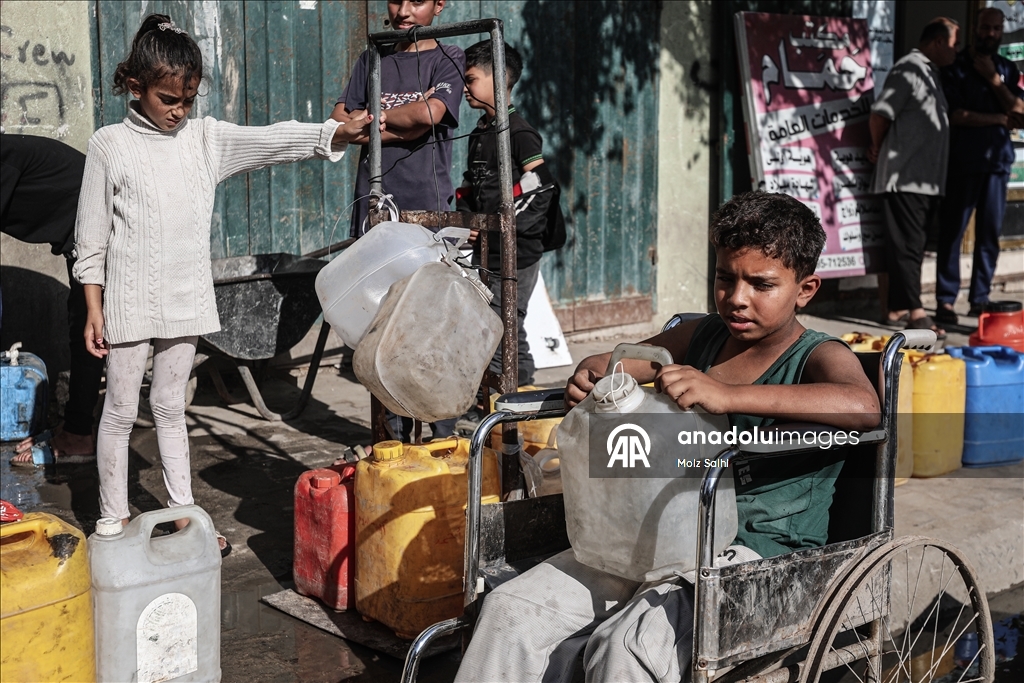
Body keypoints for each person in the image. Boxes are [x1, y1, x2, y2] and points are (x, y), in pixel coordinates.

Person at [454, 191, 880, 682]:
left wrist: (727, 395)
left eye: (761, 284)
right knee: (513, 609)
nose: (737, 298)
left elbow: (864, 406)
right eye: (725, 278)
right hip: (658, 532)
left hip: (755, 557)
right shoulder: (700, 335)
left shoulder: (816, 354)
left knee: (627, 646)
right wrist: (594, 376)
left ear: (805, 289)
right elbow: (620, 360)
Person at [73, 13, 376, 554]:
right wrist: (94, 306)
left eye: (188, 99)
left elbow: (270, 141)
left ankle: (184, 515)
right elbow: (90, 238)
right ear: (136, 87)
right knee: (120, 410)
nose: (179, 111)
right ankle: (112, 521)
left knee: (169, 406)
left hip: (186, 297)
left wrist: (329, 134)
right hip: (126, 301)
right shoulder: (108, 145)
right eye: (169, 99)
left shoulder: (204, 140)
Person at [331, 0, 465, 441]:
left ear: (439, 4)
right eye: (395, 0)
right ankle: (391, 435)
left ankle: (441, 430)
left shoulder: (449, 59)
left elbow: (431, 115)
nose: (404, 10)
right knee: (381, 323)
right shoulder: (373, 58)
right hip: (374, 208)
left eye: (417, 0)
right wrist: (400, 125)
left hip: (426, 210)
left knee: (429, 322)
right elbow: (338, 122)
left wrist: (374, 121)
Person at [456, 40, 559, 407]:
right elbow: (474, 183)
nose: (464, 88)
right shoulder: (480, 133)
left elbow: (540, 186)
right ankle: (526, 399)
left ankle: (506, 407)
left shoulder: (518, 133)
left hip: (518, 251)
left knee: (502, 328)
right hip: (489, 250)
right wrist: (469, 219)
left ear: (499, 80)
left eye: (470, 79)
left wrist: (502, 224)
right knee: (504, 325)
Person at [2, 133, 105, 464]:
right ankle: (77, 428)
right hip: (84, 233)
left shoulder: (5, 156)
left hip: (101, 231)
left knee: (91, 333)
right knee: (85, 330)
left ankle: (79, 435)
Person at [867, 17, 959, 339]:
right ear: (936, 42)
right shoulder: (908, 69)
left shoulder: (931, 73)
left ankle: (897, 307)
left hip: (923, 180)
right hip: (904, 177)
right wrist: (877, 148)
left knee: (911, 246)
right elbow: (880, 113)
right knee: (908, 246)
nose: (956, 51)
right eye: (953, 44)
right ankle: (916, 314)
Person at [935, 7, 1024, 326]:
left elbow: (1020, 111)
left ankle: (979, 299)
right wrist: (1000, 117)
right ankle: (945, 301)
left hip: (997, 163)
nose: (990, 34)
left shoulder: (1006, 69)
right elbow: (956, 114)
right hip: (963, 161)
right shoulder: (955, 66)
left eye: (996, 29)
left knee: (989, 234)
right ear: (976, 28)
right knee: (953, 232)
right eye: (986, 28)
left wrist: (993, 79)